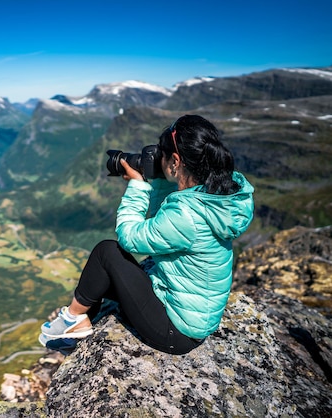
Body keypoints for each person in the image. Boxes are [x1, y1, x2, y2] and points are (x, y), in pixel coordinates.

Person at [39, 114, 255, 355]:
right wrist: (162, 179)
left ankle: (72, 319)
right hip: (187, 312)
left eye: (163, 154)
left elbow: (129, 237)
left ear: (175, 160)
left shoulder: (187, 214)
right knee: (106, 276)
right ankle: (81, 325)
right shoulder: (212, 197)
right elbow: (162, 224)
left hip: (177, 331)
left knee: (107, 253)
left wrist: (138, 185)